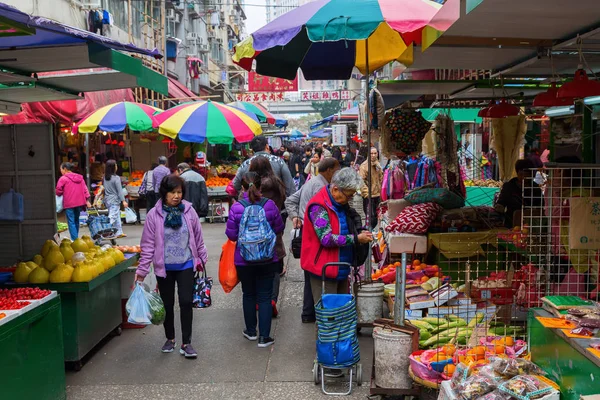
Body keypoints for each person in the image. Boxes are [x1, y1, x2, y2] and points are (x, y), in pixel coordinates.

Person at [136, 175, 208, 358]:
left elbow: (198, 238)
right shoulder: (154, 215)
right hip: (164, 267)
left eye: (179, 192)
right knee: (167, 304)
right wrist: (142, 271)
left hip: (186, 264)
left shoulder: (189, 212)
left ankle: (187, 342)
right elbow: (148, 245)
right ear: (164, 193)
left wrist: (201, 258)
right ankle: (170, 338)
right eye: (172, 192)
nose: (176, 196)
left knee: (185, 302)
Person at [226, 172, 285, 348]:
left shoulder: (237, 208)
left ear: (242, 187)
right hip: (267, 259)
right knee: (265, 297)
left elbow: (231, 234)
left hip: (244, 260)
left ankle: (251, 331)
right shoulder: (270, 205)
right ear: (261, 186)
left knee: (249, 294)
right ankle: (264, 337)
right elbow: (278, 228)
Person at [301, 167, 373, 306]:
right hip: (324, 268)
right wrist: (356, 238)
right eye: (349, 195)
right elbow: (326, 239)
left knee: (341, 313)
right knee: (328, 315)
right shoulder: (319, 206)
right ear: (335, 190)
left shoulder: (340, 204)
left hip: (340, 266)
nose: (350, 199)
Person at [285, 158, 340, 323]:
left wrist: (295, 216)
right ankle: (312, 313)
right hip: (315, 233)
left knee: (310, 272)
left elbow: (290, 201)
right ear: (329, 170)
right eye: (337, 170)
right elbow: (320, 215)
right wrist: (296, 216)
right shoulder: (320, 187)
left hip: (307, 231)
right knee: (316, 272)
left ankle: (308, 313)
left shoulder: (311, 182)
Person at [249, 157, 287, 317]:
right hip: (274, 226)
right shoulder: (277, 182)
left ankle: (260, 300)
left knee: (258, 266)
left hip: (256, 230)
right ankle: (272, 300)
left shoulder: (255, 188)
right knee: (275, 267)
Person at [495, 159, 542, 228]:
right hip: (511, 224)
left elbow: (541, 205)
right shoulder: (509, 186)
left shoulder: (536, 189)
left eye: (527, 176)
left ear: (532, 175)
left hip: (531, 225)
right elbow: (501, 203)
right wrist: (499, 207)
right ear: (517, 173)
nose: (524, 178)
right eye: (521, 175)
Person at [56, 162, 92, 240]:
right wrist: (87, 200)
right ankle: (75, 238)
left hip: (69, 203)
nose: (61, 171)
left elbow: (58, 191)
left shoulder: (63, 179)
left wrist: (62, 192)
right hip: (79, 203)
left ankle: (75, 240)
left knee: (71, 222)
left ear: (65, 169)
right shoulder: (80, 178)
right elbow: (85, 189)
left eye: (61, 169)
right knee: (76, 220)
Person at [359, 147, 383, 230]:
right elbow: (361, 182)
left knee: (376, 217)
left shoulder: (378, 164)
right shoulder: (364, 166)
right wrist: (367, 194)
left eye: (375, 153)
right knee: (370, 218)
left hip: (378, 195)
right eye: (371, 153)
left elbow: (381, 178)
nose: (373, 155)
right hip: (369, 196)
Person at [103, 159, 127, 238]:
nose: (117, 166)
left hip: (107, 200)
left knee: (116, 216)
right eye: (116, 165)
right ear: (113, 167)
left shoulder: (105, 177)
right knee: (112, 217)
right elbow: (119, 191)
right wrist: (123, 201)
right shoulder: (116, 178)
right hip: (114, 200)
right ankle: (106, 231)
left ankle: (119, 232)